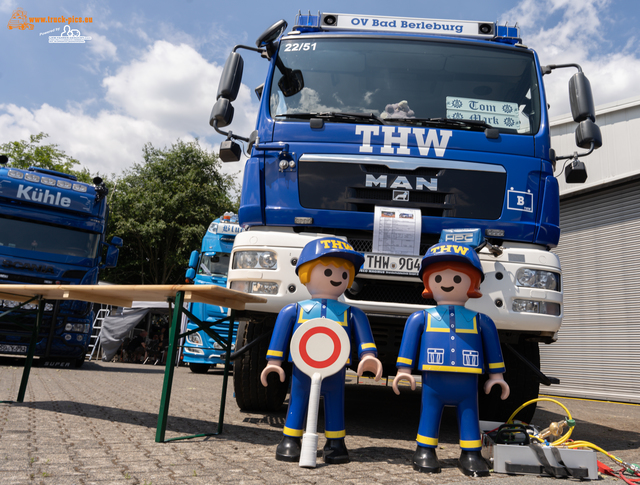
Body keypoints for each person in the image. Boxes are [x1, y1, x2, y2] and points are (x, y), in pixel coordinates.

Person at [261, 237, 383, 464]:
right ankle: (291, 438)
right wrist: (273, 362)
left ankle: (336, 442)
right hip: (302, 367)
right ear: (306, 273)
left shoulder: (352, 313)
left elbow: (364, 338)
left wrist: (369, 356)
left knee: (335, 402)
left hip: (336, 368)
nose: (337, 278)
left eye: (344, 274)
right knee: (297, 399)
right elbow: (279, 337)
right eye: (328, 272)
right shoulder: (294, 310)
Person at [392, 243, 510, 477]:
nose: (448, 283)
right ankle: (425, 449)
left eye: (458, 278)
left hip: (467, 383)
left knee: (469, 414)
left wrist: (497, 377)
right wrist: (403, 370)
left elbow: (493, 348)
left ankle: (471, 454)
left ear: (472, 283)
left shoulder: (481, 321)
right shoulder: (421, 318)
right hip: (433, 380)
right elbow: (408, 344)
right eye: (438, 277)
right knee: (430, 412)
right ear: (428, 283)